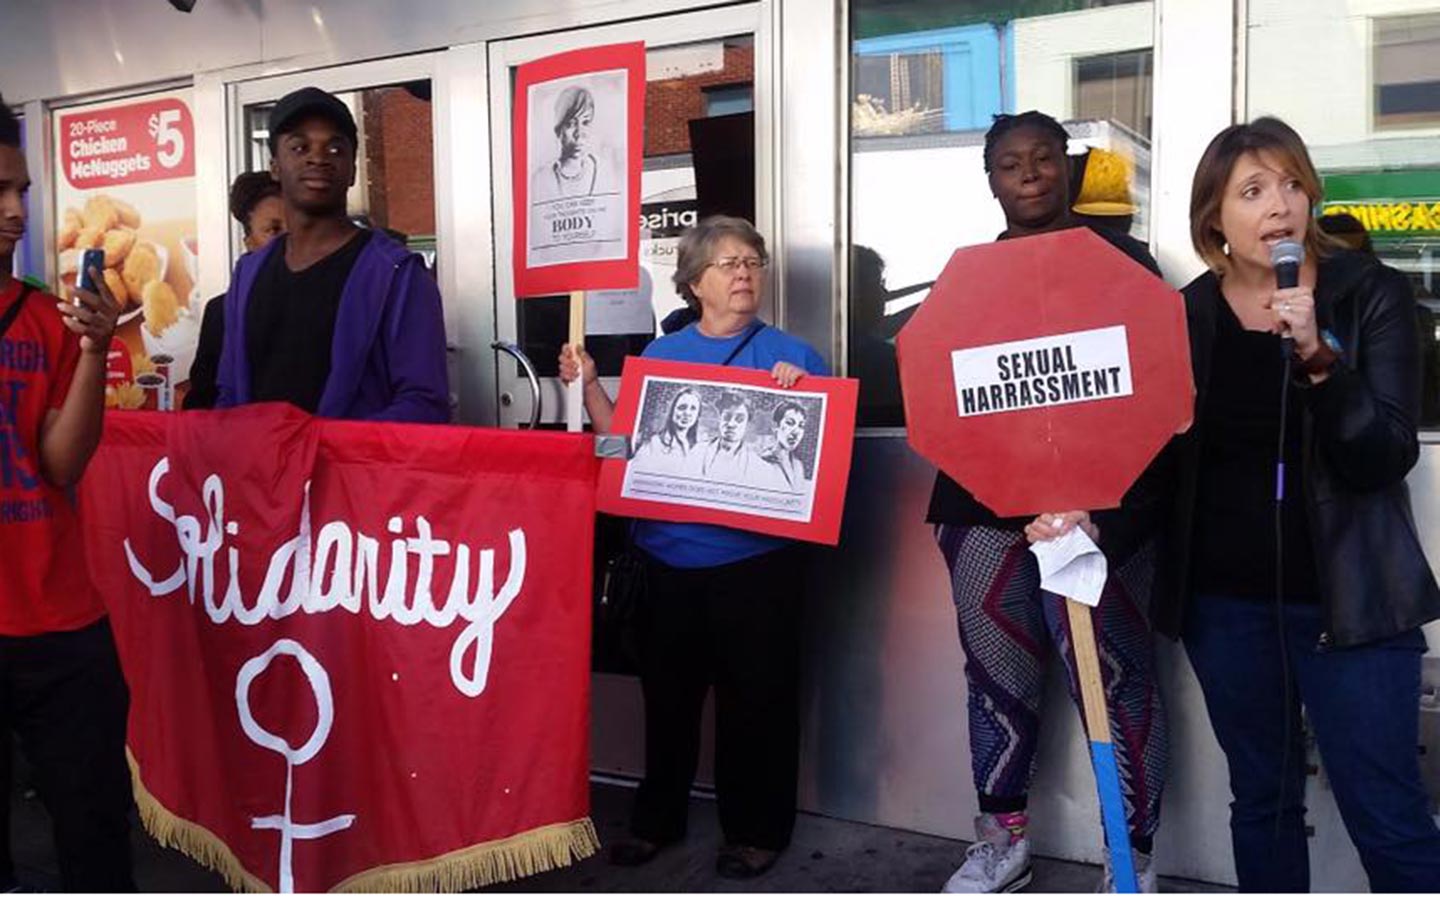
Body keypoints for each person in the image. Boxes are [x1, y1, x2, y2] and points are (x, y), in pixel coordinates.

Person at [1157, 116, 1440, 893]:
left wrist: (1321, 362)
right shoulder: (1186, 316)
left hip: (1351, 608)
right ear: (1215, 216)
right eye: (1253, 190)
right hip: (1227, 607)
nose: (1280, 205)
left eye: (1291, 184)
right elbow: (1155, 462)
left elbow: (1384, 452)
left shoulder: (1368, 293)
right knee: (1263, 800)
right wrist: (1076, 509)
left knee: (1387, 811)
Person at [929, 111, 1169, 894]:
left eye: (1041, 158)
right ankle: (1004, 842)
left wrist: (1096, 500)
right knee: (998, 676)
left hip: (1107, 510)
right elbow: (941, 388)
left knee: (1119, 675)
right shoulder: (966, 274)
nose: (1028, 173)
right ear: (991, 178)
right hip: (984, 509)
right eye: (1009, 162)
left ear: (1065, 168)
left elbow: (1161, 392)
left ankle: (1131, 854)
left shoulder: (1128, 264)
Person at [559, 215, 827, 879]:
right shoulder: (660, 358)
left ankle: (756, 831)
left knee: (757, 703)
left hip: (758, 566)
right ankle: (656, 821)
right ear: (694, 282)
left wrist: (807, 400)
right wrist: (589, 384)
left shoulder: (792, 357)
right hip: (668, 561)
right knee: (668, 700)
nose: (743, 273)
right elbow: (622, 449)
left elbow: (822, 464)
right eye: (729, 263)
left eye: (752, 263)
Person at [0, 94, 135, 892]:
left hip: (60, 621)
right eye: (0, 191)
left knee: (92, 825)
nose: (17, 211)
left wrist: (93, 350)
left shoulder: (46, 322)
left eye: (21, 191)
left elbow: (60, 464)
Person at [215, 86, 449, 422]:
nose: (318, 157)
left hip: (352, 473)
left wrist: (322, 449)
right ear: (276, 167)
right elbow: (229, 393)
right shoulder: (248, 275)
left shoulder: (397, 274)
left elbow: (425, 404)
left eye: (335, 147)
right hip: (255, 471)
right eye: (299, 147)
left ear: (352, 170)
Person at [183, 171, 284, 410]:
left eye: (299, 225)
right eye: (273, 229)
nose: (288, 238)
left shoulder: (330, 300)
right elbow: (202, 403)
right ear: (249, 243)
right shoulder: (222, 312)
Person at [530, 86, 618, 203]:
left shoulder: (604, 171)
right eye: (570, 124)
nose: (579, 133)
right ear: (559, 129)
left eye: (585, 122)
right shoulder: (541, 179)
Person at [630, 385, 701, 475]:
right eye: (682, 407)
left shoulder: (698, 449)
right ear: (672, 411)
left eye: (693, 409)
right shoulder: (652, 443)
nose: (687, 413)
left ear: (698, 415)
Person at [697, 390, 765, 483]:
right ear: (719, 418)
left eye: (739, 419)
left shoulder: (756, 464)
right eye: (727, 417)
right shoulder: (698, 451)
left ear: (747, 424)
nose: (731, 424)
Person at [757, 400, 810, 493]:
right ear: (775, 426)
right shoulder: (764, 461)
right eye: (790, 423)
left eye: (801, 426)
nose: (796, 432)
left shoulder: (798, 466)